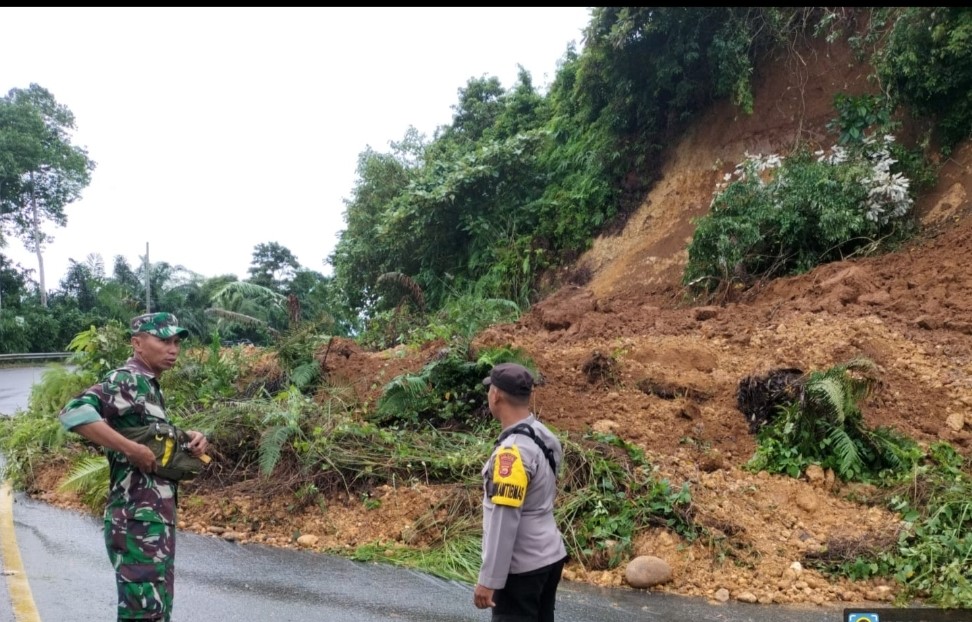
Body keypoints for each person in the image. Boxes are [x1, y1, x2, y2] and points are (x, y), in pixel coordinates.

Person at [58, 312, 209, 622]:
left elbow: (149, 437)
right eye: (163, 340)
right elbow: (72, 414)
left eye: (176, 342)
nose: (173, 349)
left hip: (153, 521)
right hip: (136, 520)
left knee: (155, 611)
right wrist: (129, 449)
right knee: (143, 615)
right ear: (137, 344)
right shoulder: (126, 379)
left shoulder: (149, 386)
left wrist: (191, 438)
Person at [473, 362, 569, 621]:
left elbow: (505, 518)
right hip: (549, 556)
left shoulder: (512, 453)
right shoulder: (544, 435)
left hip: (521, 568)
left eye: (489, 390)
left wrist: (489, 579)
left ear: (496, 395)